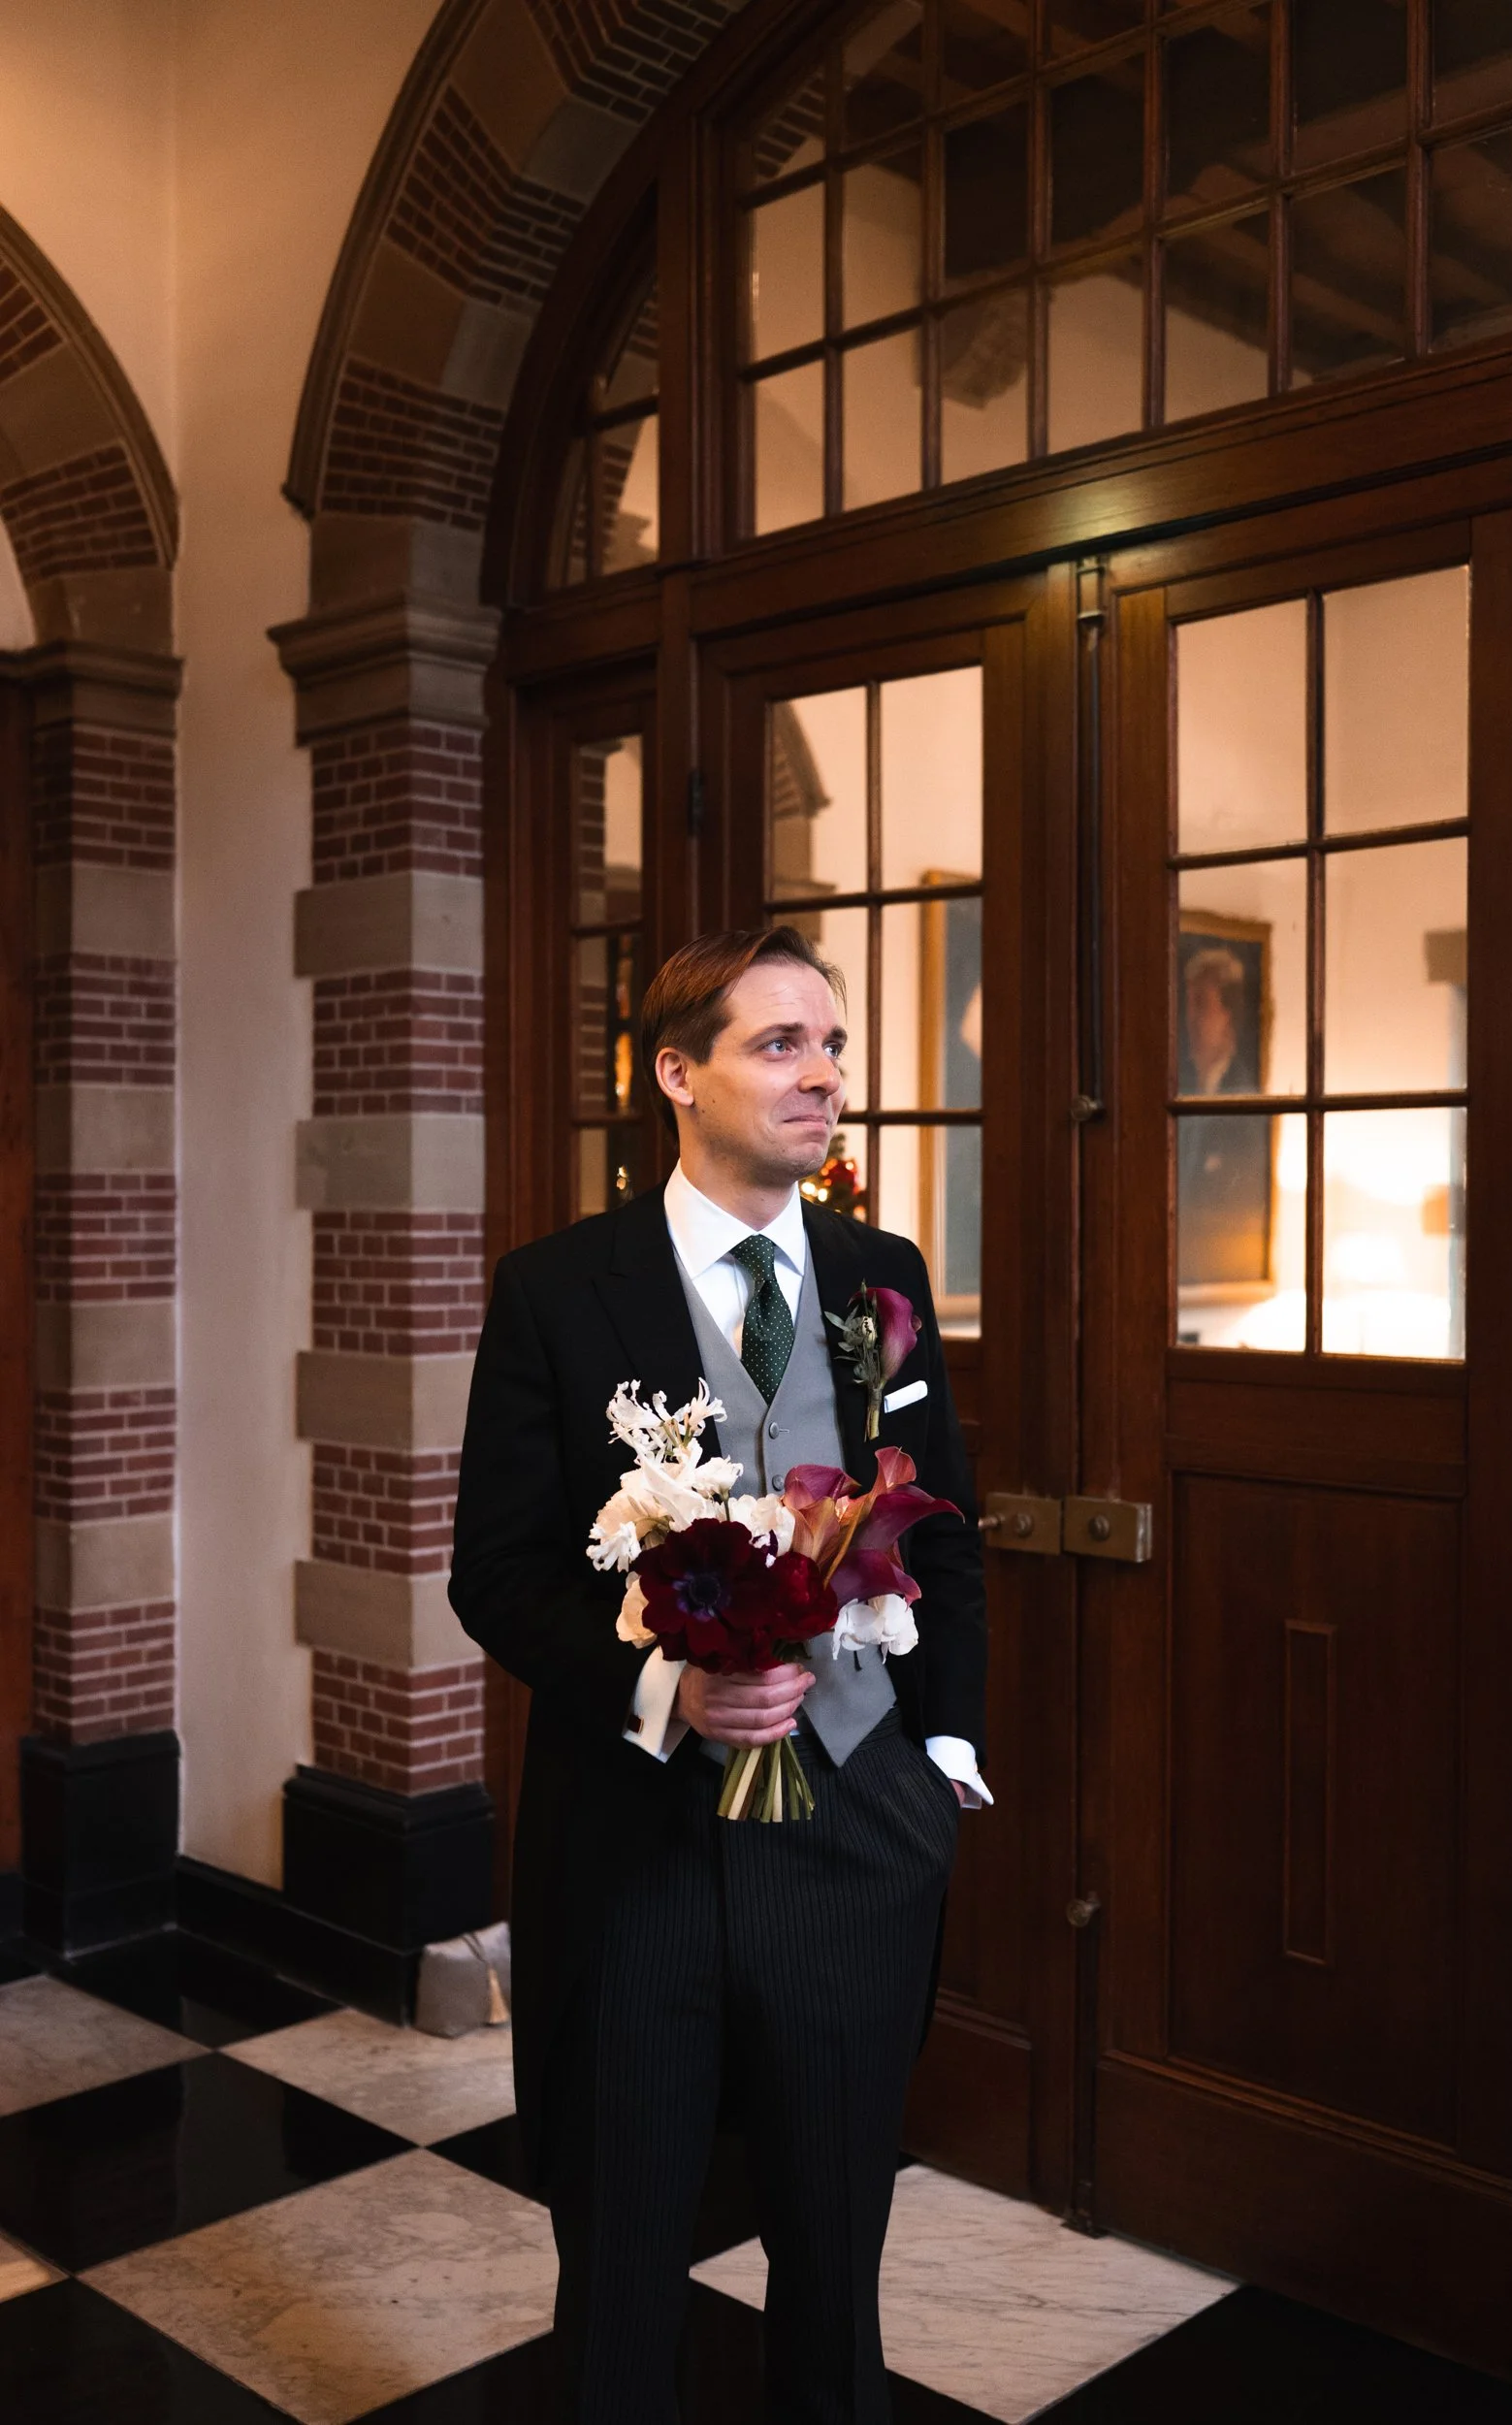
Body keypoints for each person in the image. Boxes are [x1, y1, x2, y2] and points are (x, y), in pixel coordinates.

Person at [449, 924, 989, 2423]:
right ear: (674, 1073)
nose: (821, 1075)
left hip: (858, 1836)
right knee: (623, 2248)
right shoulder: (559, 1289)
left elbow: (943, 1530)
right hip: (638, 1854)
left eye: (829, 1045)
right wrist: (666, 1697)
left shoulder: (880, 1273)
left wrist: (941, 1758)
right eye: (778, 1045)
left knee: (835, 2246)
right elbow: (492, 1570)